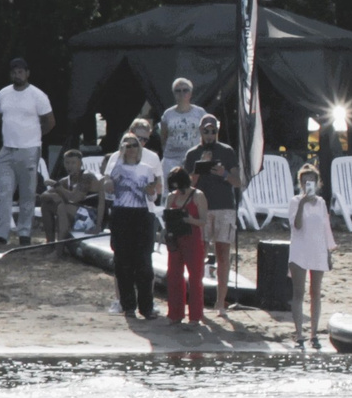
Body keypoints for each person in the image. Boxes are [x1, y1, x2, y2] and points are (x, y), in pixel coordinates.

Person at [181, 115, 245, 315]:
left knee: (223, 254)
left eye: (213, 131)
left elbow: (238, 182)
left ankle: (220, 302)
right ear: (200, 131)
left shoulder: (226, 151)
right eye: (206, 131)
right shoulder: (192, 154)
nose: (210, 134)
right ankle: (197, 301)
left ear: (217, 131)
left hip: (224, 206)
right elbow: (187, 185)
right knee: (199, 253)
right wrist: (201, 166)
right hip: (201, 207)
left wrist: (224, 174)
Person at [0, 56, 53, 245]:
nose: (17, 75)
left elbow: (50, 121)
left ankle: (24, 233)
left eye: (21, 72)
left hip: (28, 149)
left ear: (27, 73)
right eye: (14, 72)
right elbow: (0, 115)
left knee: (27, 192)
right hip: (7, 148)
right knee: (2, 191)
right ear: (11, 74)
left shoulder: (38, 96)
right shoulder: (3, 94)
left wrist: (34, 136)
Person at [102, 135, 164, 318]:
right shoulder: (116, 167)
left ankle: (146, 306)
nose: (131, 149)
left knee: (144, 262)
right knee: (122, 262)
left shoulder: (146, 168)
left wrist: (152, 191)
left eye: (134, 145)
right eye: (127, 145)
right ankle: (128, 304)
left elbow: (153, 196)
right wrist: (108, 184)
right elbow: (108, 190)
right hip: (122, 213)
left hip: (141, 215)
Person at [288, 162, 335, 348]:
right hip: (299, 250)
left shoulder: (321, 203)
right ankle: (299, 334)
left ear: (317, 183)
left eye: (312, 181)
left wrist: (329, 252)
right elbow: (297, 225)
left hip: (317, 249)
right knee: (298, 292)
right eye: (305, 181)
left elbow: (326, 228)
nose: (309, 184)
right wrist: (302, 203)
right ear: (301, 183)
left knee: (316, 292)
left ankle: (314, 334)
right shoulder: (294, 201)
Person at [163, 167, 208, 326]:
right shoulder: (170, 197)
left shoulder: (198, 195)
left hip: (193, 239)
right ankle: (175, 313)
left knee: (195, 278)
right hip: (175, 238)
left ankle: (195, 316)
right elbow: (167, 217)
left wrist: (189, 220)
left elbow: (204, 221)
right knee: (174, 275)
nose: (177, 191)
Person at [40, 150, 104, 242]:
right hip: (77, 216)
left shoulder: (87, 177)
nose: (70, 166)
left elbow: (74, 198)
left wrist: (57, 186)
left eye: (73, 163)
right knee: (46, 205)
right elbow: (43, 196)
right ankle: (50, 243)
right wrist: (55, 196)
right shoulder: (65, 180)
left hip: (92, 218)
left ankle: (59, 250)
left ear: (80, 164)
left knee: (62, 207)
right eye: (67, 163)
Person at [156, 79, 210, 173]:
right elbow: (163, 136)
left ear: (190, 93)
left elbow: (208, 133)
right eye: (178, 90)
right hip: (171, 160)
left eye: (185, 90)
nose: (181, 93)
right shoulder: (167, 114)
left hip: (194, 158)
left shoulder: (200, 112)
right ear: (174, 94)